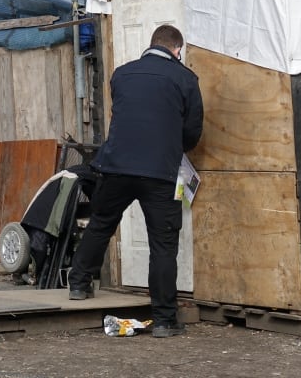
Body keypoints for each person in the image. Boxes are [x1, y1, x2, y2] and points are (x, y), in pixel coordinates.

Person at [67, 24, 204, 339]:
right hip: (160, 173)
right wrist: (172, 143)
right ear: (177, 50)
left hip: (116, 166)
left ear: (151, 44)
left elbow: (124, 114)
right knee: (163, 244)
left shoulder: (122, 74)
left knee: (102, 222)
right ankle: (165, 320)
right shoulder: (186, 79)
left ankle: (78, 283)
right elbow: (192, 133)